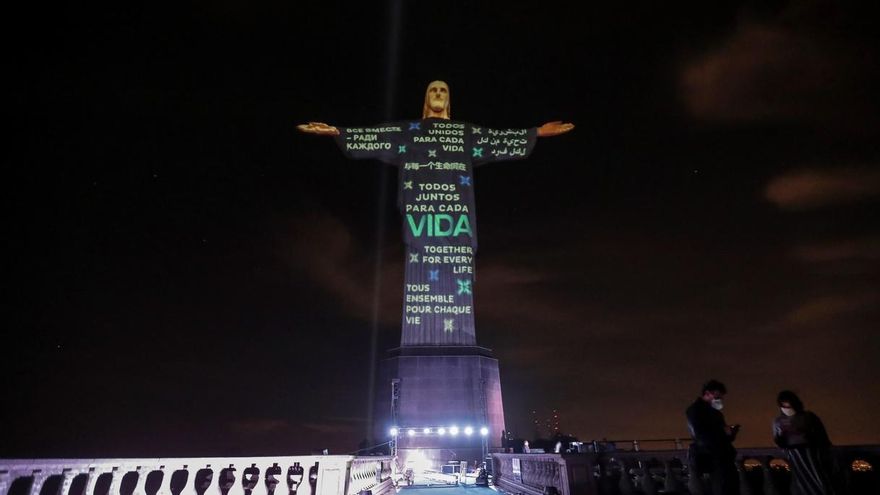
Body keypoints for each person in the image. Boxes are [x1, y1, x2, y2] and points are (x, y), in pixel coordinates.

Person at [773, 390, 837, 495]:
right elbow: (778, 440)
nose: (787, 409)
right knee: (802, 484)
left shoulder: (808, 417)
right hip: (795, 456)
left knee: (819, 481)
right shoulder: (778, 421)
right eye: (784, 405)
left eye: (789, 405)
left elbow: (822, 436)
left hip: (812, 454)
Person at [686, 379, 740, 495]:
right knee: (721, 488)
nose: (719, 399)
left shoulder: (716, 413)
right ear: (707, 393)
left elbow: (723, 436)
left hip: (723, 457)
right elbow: (700, 436)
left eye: (721, 396)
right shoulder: (695, 410)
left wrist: (730, 433)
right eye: (717, 396)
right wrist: (722, 432)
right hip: (713, 458)